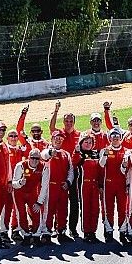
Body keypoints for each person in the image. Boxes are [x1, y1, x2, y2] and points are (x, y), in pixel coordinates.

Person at [49, 101, 81, 238]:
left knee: (74, 201)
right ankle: (59, 227)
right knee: (58, 200)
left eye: (71, 121)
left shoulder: (79, 135)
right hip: (60, 171)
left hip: (74, 172)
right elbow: (51, 127)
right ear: (63, 122)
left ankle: (72, 228)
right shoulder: (59, 133)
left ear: (74, 122)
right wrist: (56, 111)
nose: (68, 123)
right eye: (66, 121)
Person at [37, 130, 74, 244]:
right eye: (56, 138)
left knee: (63, 210)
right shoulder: (48, 150)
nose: (58, 140)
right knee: (48, 210)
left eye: (60, 139)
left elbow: (71, 171)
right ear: (51, 139)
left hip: (62, 187)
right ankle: (46, 232)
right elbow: (43, 155)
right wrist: (50, 152)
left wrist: (68, 182)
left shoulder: (66, 154)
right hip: (50, 186)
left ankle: (61, 231)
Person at [99, 128, 129, 242]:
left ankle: (122, 231)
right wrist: (105, 155)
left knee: (122, 208)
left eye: (117, 137)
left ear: (121, 139)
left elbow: (126, 169)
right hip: (109, 184)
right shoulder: (105, 150)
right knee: (108, 208)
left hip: (121, 184)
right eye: (113, 137)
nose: (115, 139)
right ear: (110, 138)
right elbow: (101, 165)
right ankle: (108, 230)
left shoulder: (126, 151)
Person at [11, 147, 44, 245]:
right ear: (28, 157)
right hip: (19, 192)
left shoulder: (43, 167)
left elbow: (44, 186)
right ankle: (25, 235)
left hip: (32, 192)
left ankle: (36, 235)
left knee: (36, 212)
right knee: (21, 213)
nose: (34, 160)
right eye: (32, 158)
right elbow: (14, 183)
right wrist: (20, 182)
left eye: (37, 158)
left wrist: (39, 202)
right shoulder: (20, 165)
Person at [73, 135, 102, 243]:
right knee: (86, 209)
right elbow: (74, 162)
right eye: (86, 142)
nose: (88, 144)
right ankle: (86, 232)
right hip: (84, 185)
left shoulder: (96, 154)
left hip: (95, 185)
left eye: (90, 142)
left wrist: (100, 185)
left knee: (95, 208)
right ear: (81, 143)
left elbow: (100, 170)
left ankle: (93, 232)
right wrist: (76, 152)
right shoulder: (79, 153)